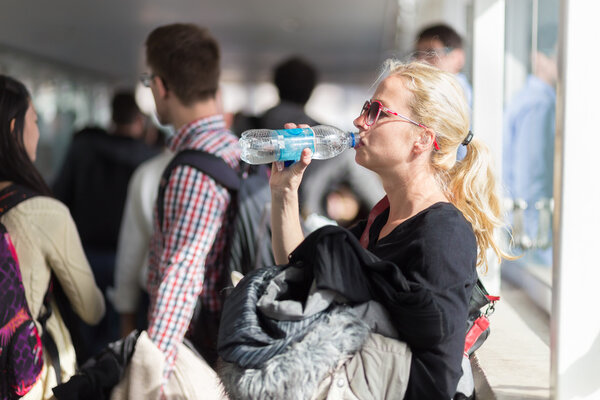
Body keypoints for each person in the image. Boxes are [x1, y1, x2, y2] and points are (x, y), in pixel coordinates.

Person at [217, 60, 510, 399]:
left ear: (422, 139)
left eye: (377, 111)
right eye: (364, 108)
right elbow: (298, 269)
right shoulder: (383, 217)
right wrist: (285, 191)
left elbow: (437, 381)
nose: (359, 122)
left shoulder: (443, 234)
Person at [141, 23, 241, 390]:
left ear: (161, 86)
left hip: (198, 352)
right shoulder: (235, 150)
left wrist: (152, 376)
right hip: (229, 342)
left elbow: (180, 278)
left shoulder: (192, 170)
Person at [0, 75, 105, 399]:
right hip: (29, 377)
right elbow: (91, 309)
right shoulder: (42, 211)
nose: (39, 130)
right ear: (15, 127)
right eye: (35, 120)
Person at [52, 91, 158, 361]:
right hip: (128, 260)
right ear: (137, 119)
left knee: (82, 328)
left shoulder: (83, 149)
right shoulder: (147, 159)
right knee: (118, 334)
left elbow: (60, 195)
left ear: (111, 116)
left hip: (82, 252)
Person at [260, 56, 385, 226]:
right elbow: (370, 192)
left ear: (276, 85)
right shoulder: (320, 135)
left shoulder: (253, 126)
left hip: (260, 223)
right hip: (305, 226)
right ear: (310, 91)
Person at [107, 129, 173, 338]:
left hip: (153, 303)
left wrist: (126, 318)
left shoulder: (150, 173)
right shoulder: (235, 166)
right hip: (223, 308)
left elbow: (131, 253)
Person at [502, 24, 557, 266]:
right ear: (538, 58)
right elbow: (531, 180)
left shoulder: (527, 97)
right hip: (531, 240)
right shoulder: (539, 104)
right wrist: (539, 249)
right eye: (557, 56)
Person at [415, 23, 472, 108]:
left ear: (458, 57)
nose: (421, 61)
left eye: (431, 53)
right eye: (417, 54)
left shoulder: (458, 95)